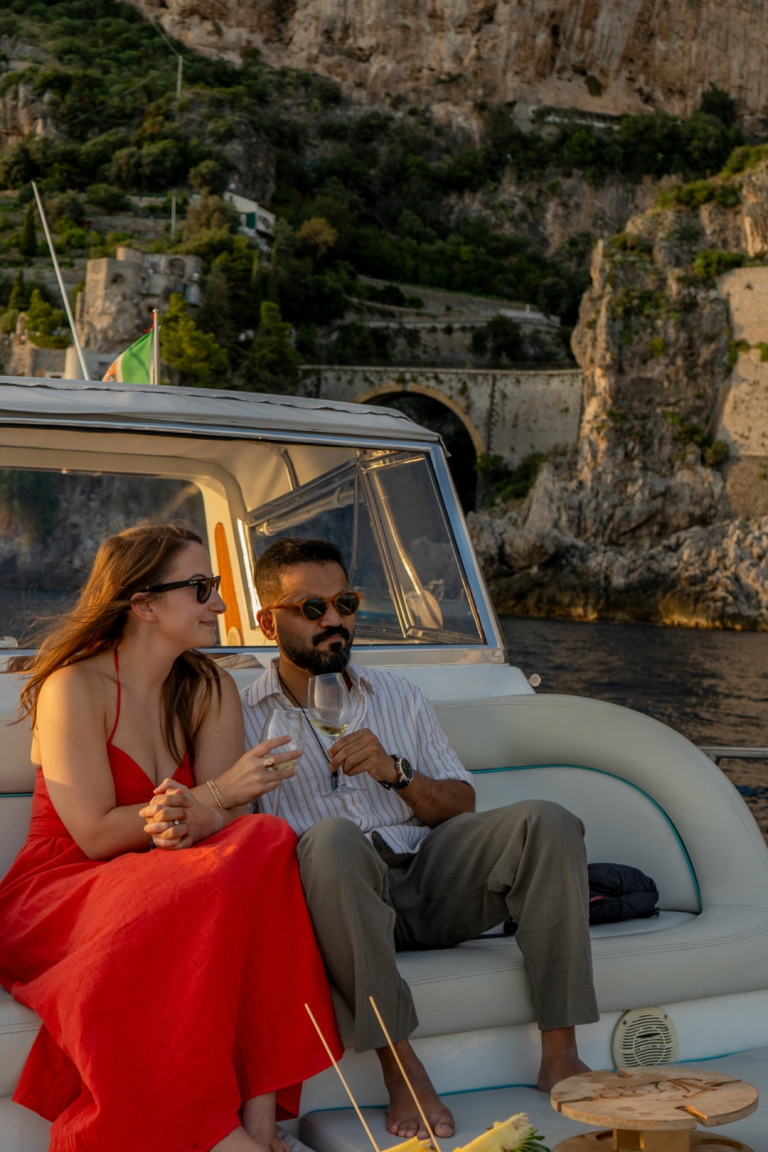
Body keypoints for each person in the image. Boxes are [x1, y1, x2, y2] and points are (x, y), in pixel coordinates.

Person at [241, 537, 599, 1142]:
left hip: (425, 873)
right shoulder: (240, 712)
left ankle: (560, 1053)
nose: (334, 621)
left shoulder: (398, 696)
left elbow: (461, 804)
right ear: (265, 620)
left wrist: (395, 772)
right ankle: (401, 1070)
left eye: (345, 603)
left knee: (549, 820)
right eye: (311, 608)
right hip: (334, 894)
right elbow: (240, 837)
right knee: (331, 840)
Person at [0, 524, 342, 1152]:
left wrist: (210, 806)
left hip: (173, 871)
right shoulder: (73, 687)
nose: (219, 604)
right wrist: (214, 797)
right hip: (63, 886)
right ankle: (212, 1134)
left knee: (264, 839)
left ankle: (262, 1123)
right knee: (216, 872)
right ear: (144, 604)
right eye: (202, 588)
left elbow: (226, 826)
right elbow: (98, 833)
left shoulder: (208, 687)